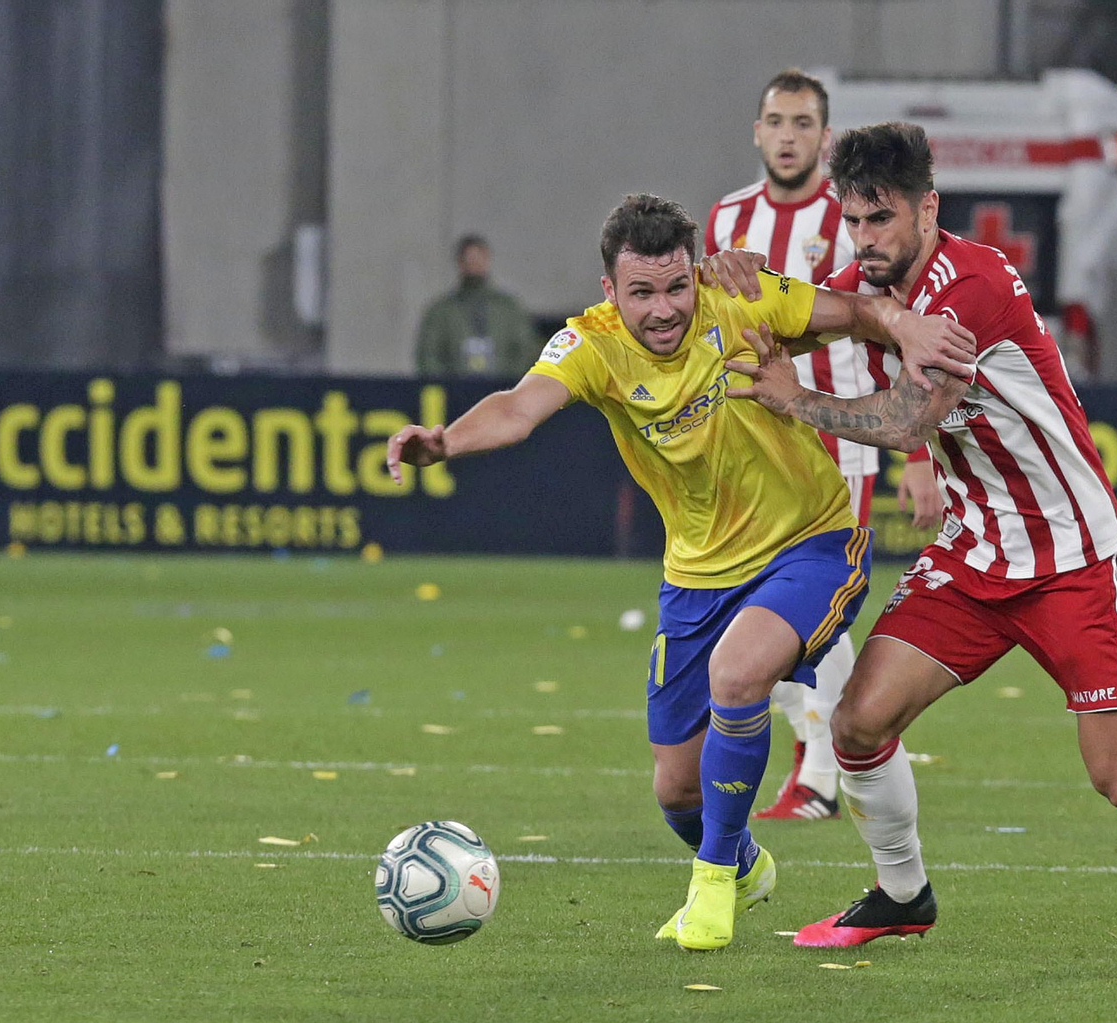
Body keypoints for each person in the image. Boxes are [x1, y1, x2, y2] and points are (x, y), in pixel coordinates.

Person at [711, 122, 1117, 959]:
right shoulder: (872, 282)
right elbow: (798, 317)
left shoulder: (971, 288)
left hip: (1069, 556)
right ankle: (902, 895)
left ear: (927, 209)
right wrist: (734, 279)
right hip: (972, 551)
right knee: (858, 724)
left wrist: (793, 398)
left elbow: (908, 421)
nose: (865, 238)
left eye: (881, 219)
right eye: (854, 220)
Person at [386, 193, 975, 952]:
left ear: (694, 274)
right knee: (676, 790)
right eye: (641, 293)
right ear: (610, 291)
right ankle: (745, 866)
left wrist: (908, 326)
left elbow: (856, 312)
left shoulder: (740, 297)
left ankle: (712, 880)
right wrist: (446, 442)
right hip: (696, 575)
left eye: (675, 287)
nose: (663, 309)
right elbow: (517, 407)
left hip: (811, 543)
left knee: (739, 675)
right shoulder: (592, 344)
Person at [707, 69, 941, 821]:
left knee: (812, 604)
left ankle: (818, 774)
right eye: (776, 121)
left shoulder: (853, 219)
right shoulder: (728, 218)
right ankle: (817, 758)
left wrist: (919, 454)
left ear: (825, 137)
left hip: (838, 440)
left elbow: (896, 328)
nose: (788, 136)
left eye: (803, 123)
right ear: (756, 131)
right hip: (753, 446)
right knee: (755, 605)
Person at [414, 234, 541, 378]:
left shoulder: (508, 308)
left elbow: (525, 350)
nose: (474, 263)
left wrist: (510, 382)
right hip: (454, 387)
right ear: (460, 262)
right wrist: (446, 383)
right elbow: (428, 354)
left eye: (478, 258)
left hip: (503, 386)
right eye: (469, 259)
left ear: (487, 259)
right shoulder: (441, 311)